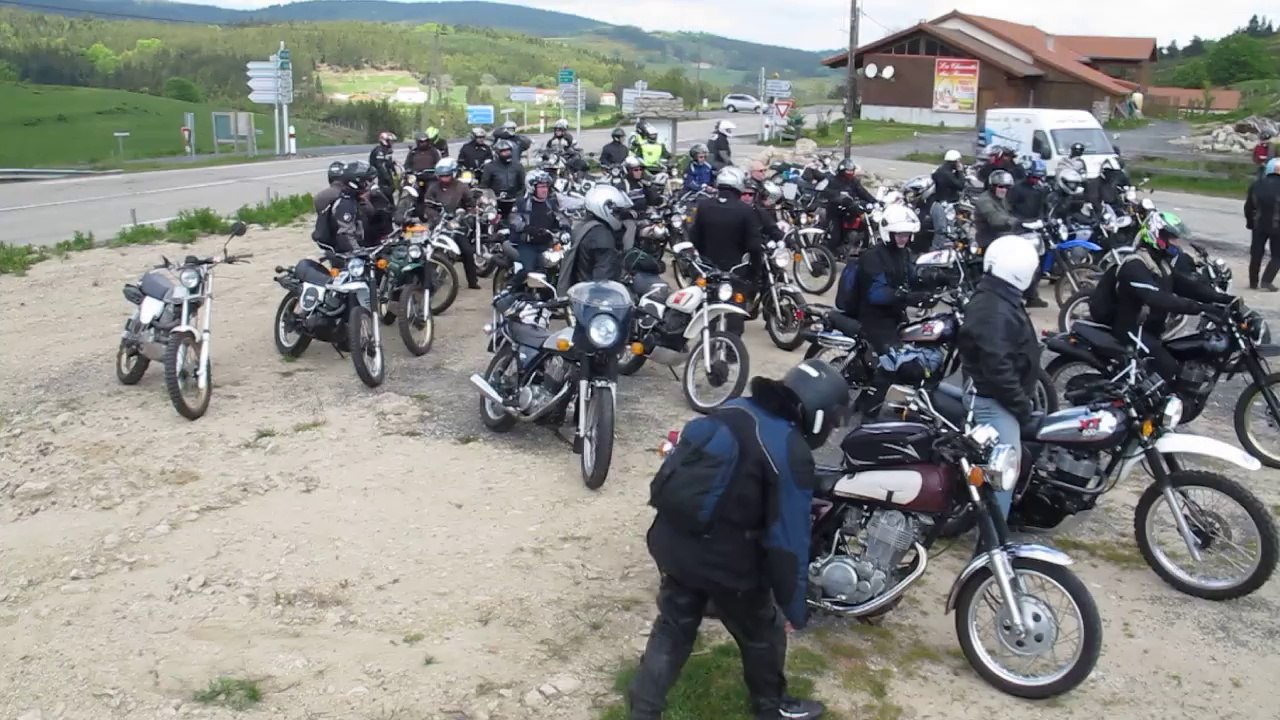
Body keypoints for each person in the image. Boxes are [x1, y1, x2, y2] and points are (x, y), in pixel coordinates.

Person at [626, 359, 850, 720]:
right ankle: (771, 707)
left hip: (674, 543)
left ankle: (643, 710)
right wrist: (794, 608)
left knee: (673, 626)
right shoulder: (788, 448)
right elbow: (789, 540)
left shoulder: (733, 408)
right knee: (763, 631)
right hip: (727, 566)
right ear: (819, 412)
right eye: (835, 418)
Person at [1087, 211, 1234, 383]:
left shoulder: (1161, 264)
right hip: (1131, 330)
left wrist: (1225, 299)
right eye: (1171, 239)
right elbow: (1156, 298)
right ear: (1156, 236)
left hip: (1152, 329)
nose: (1175, 244)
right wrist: (1200, 308)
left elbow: (1188, 287)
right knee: (1168, 368)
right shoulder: (1135, 265)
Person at [956, 235, 1043, 519]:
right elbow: (998, 369)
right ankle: (993, 543)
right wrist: (1021, 406)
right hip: (992, 401)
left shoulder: (999, 296)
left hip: (996, 396)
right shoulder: (995, 308)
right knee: (1005, 470)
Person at [688, 166, 762, 334]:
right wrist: (754, 274)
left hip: (709, 270)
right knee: (734, 317)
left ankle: (706, 350)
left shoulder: (704, 206)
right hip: (735, 273)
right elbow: (754, 246)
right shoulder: (745, 211)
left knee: (707, 315)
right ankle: (730, 354)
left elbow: (695, 240)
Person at [850, 204, 922, 353]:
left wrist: (936, 280)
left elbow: (913, 276)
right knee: (896, 364)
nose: (904, 238)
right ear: (888, 233)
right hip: (874, 320)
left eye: (907, 234)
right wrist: (906, 297)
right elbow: (876, 294)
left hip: (895, 316)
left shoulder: (904, 253)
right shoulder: (873, 257)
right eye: (900, 234)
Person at [559, 184, 634, 292]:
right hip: (595, 297)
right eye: (617, 212)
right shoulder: (603, 238)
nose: (620, 217)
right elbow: (603, 280)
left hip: (579, 290)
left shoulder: (584, 226)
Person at [510, 170, 564, 281]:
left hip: (547, 244)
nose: (545, 190)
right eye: (541, 187)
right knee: (529, 271)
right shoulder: (522, 203)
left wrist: (565, 230)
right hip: (528, 245)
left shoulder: (551, 203)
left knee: (560, 268)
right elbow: (514, 220)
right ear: (532, 187)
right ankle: (511, 290)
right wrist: (530, 229)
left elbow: (561, 218)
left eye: (546, 186)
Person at [822, 159, 878, 252]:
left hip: (851, 210)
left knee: (866, 225)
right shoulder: (833, 180)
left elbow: (862, 192)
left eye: (852, 171)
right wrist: (840, 198)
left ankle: (860, 247)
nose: (850, 173)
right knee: (836, 237)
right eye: (848, 171)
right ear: (841, 171)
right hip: (836, 212)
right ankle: (825, 258)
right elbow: (828, 193)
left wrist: (874, 201)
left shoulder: (854, 181)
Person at [1245, 158, 1280, 290]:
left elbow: (1249, 206)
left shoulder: (1256, 184)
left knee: (1256, 253)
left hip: (1258, 224)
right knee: (1277, 256)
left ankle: (1253, 282)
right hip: (1278, 227)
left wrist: (1250, 222)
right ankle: (1266, 282)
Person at [972, 170, 1019, 250]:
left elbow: (1011, 212)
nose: (1004, 190)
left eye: (1007, 187)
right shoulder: (984, 200)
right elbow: (995, 218)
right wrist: (1016, 222)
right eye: (1000, 187)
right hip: (988, 242)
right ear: (992, 187)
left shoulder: (1002, 198)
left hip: (1002, 237)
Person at [929, 149, 967, 238]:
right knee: (949, 227)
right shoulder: (947, 174)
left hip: (940, 201)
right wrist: (960, 171)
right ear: (955, 161)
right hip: (948, 203)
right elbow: (960, 185)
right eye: (958, 161)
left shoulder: (941, 170)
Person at [368, 131, 399, 203]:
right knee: (385, 192)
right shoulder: (379, 151)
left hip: (385, 175)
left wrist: (394, 169)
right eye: (390, 141)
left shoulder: (387, 150)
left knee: (391, 189)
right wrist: (387, 177)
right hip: (378, 176)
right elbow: (380, 166)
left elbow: (388, 162)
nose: (391, 143)